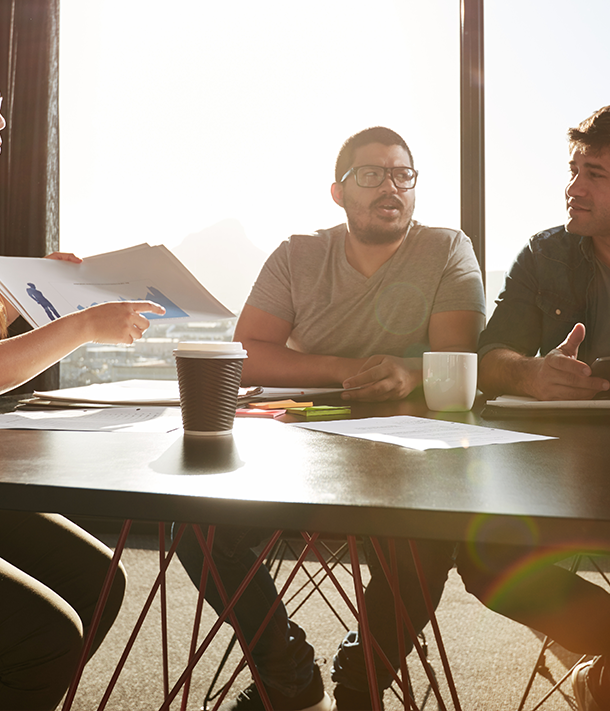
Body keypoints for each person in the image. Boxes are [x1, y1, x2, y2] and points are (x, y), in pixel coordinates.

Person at [0, 21, 165, 709]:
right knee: (44, 639)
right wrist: (82, 326)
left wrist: (38, 294)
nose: (0, 117)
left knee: (98, 582)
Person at [175, 126, 485, 710]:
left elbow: (453, 356)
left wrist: (412, 375)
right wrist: (350, 371)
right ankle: (286, 671)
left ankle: (363, 674)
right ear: (339, 193)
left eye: (403, 174)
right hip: (299, 442)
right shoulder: (298, 253)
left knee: (427, 545)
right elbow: (250, 352)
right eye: (372, 175)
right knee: (198, 529)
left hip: (411, 451)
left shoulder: (447, 248)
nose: (390, 187)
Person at [467, 104, 610, 710]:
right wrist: (529, 372)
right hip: (568, 473)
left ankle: (605, 682)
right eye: (573, 171)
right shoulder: (546, 254)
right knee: (479, 552)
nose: (572, 189)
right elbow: (490, 354)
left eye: (593, 174)